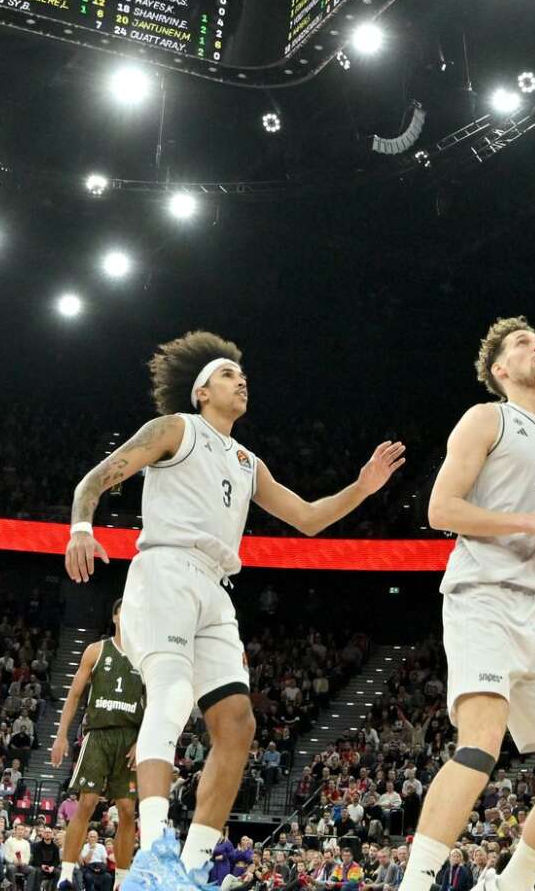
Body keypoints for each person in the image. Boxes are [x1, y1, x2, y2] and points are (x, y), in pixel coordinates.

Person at [63, 331, 406, 889]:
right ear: (200, 392)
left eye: (241, 376)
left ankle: (193, 867)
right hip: (166, 570)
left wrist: (363, 488)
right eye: (227, 374)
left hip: (216, 585)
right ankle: (154, 853)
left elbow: (310, 518)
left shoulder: (248, 461)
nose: (240, 380)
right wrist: (82, 529)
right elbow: (96, 479)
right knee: (172, 695)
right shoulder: (176, 429)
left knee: (238, 724)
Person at [395, 319, 535, 891]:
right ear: (499, 369)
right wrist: (529, 521)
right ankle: (413, 884)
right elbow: (442, 509)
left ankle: (511, 883)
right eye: (522, 343)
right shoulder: (486, 418)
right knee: (480, 745)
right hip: (483, 598)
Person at [52, 600, 144, 890]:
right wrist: (60, 734)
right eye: (124, 611)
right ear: (115, 615)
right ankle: (66, 875)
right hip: (98, 734)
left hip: (130, 736)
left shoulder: (145, 655)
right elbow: (75, 695)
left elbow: (156, 702)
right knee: (87, 803)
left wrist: (142, 740)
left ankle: (122, 879)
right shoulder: (96, 650)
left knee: (128, 810)